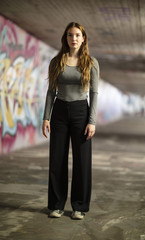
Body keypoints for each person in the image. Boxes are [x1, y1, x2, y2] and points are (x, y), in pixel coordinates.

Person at [42, 21, 99, 220]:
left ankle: (79, 207)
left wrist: (91, 120)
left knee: (82, 161)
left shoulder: (91, 63)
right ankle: (56, 205)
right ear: (65, 38)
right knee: (57, 159)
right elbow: (51, 92)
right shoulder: (56, 61)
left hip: (81, 112)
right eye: (69, 35)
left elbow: (94, 93)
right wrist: (46, 117)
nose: (73, 38)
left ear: (83, 38)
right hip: (59, 112)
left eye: (77, 35)